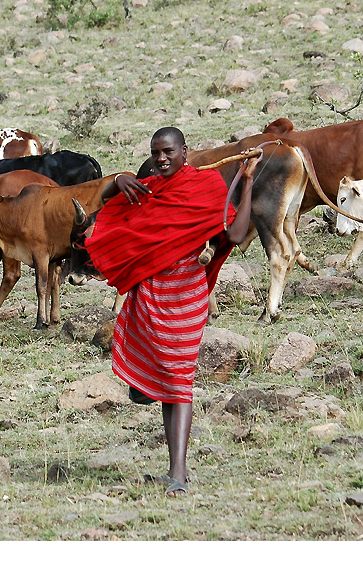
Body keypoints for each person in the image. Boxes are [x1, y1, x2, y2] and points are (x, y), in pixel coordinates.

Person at [85, 127, 259, 496]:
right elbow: (105, 200)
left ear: (184, 151)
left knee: (177, 378)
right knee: (168, 380)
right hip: (149, 291)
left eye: (168, 152)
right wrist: (119, 180)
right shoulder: (149, 189)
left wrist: (247, 182)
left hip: (186, 293)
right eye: (155, 152)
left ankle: (178, 475)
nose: (161, 159)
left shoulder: (208, 186)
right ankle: (172, 467)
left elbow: (238, 234)